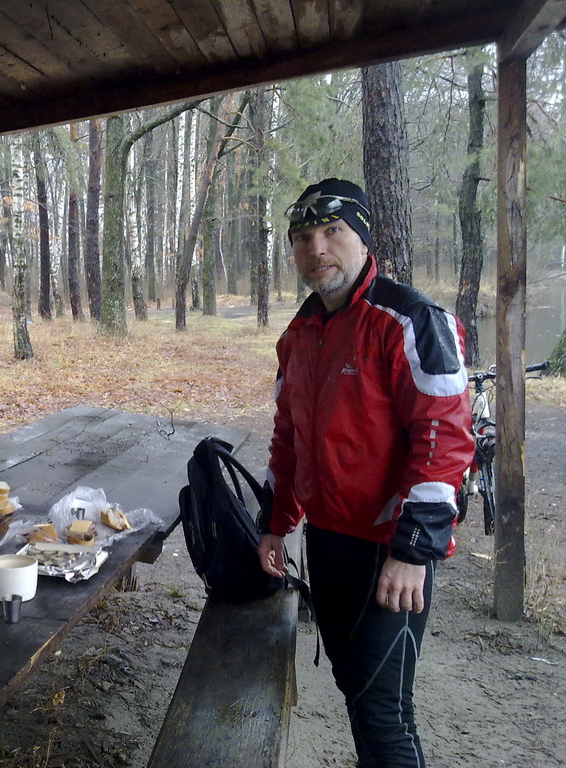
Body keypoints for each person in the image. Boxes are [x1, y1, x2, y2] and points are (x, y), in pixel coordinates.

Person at [257, 178, 474, 767]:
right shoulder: (298, 334)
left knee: (384, 710)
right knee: (354, 687)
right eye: (303, 237)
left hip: (389, 550)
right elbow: (288, 439)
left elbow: (445, 438)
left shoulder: (410, 319)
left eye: (333, 231)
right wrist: (276, 523)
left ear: (363, 237)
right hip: (329, 541)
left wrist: (414, 550)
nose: (317, 249)